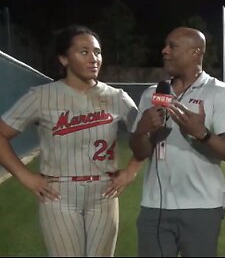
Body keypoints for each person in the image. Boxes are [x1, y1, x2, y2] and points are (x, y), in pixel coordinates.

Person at [0, 24, 142, 256]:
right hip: (59, 193)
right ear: (64, 59)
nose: (93, 58)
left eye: (97, 52)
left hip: (104, 192)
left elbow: (144, 137)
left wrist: (131, 171)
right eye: (84, 52)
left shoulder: (117, 97)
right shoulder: (41, 96)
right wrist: (25, 176)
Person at [130, 27, 225, 257]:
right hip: (155, 206)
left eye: (172, 46)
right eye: (165, 45)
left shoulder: (220, 92)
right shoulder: (152, 94)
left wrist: (202, 133)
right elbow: (140, 152)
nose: (164, 51)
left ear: (195, 52)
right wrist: (142, 131)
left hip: (202, 206)